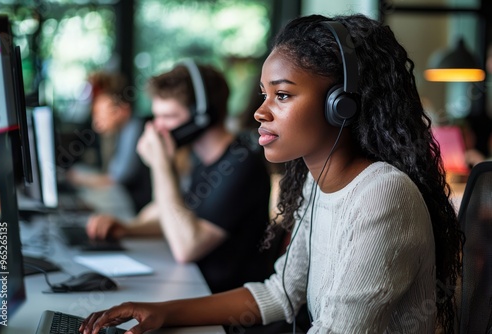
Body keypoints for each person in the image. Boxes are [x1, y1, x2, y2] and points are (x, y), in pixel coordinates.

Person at [80, 14, 463, 334]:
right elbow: (280, 293)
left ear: (341, 105)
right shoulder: (317, 183)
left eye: (282, 95)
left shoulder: (383, 195)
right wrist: (163, 312)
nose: (260, 112)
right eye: (264, 94)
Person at [84, 62, 274, 294]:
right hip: (195, 287)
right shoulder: (199, 157)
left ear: (202, 116)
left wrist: (160, 164)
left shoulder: (241, 164)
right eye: (156, 117)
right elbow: (178, 218)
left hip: (224, 305)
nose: (157, 128)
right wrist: (127, 229)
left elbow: (186, 247)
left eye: (169, 116)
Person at [66, 71, 152, 213]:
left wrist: (82, 179)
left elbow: (114, 178)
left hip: (137, 208)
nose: (96, 124)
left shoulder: (136, 131)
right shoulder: (122, 132)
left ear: (123, 110)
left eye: (101, 114)